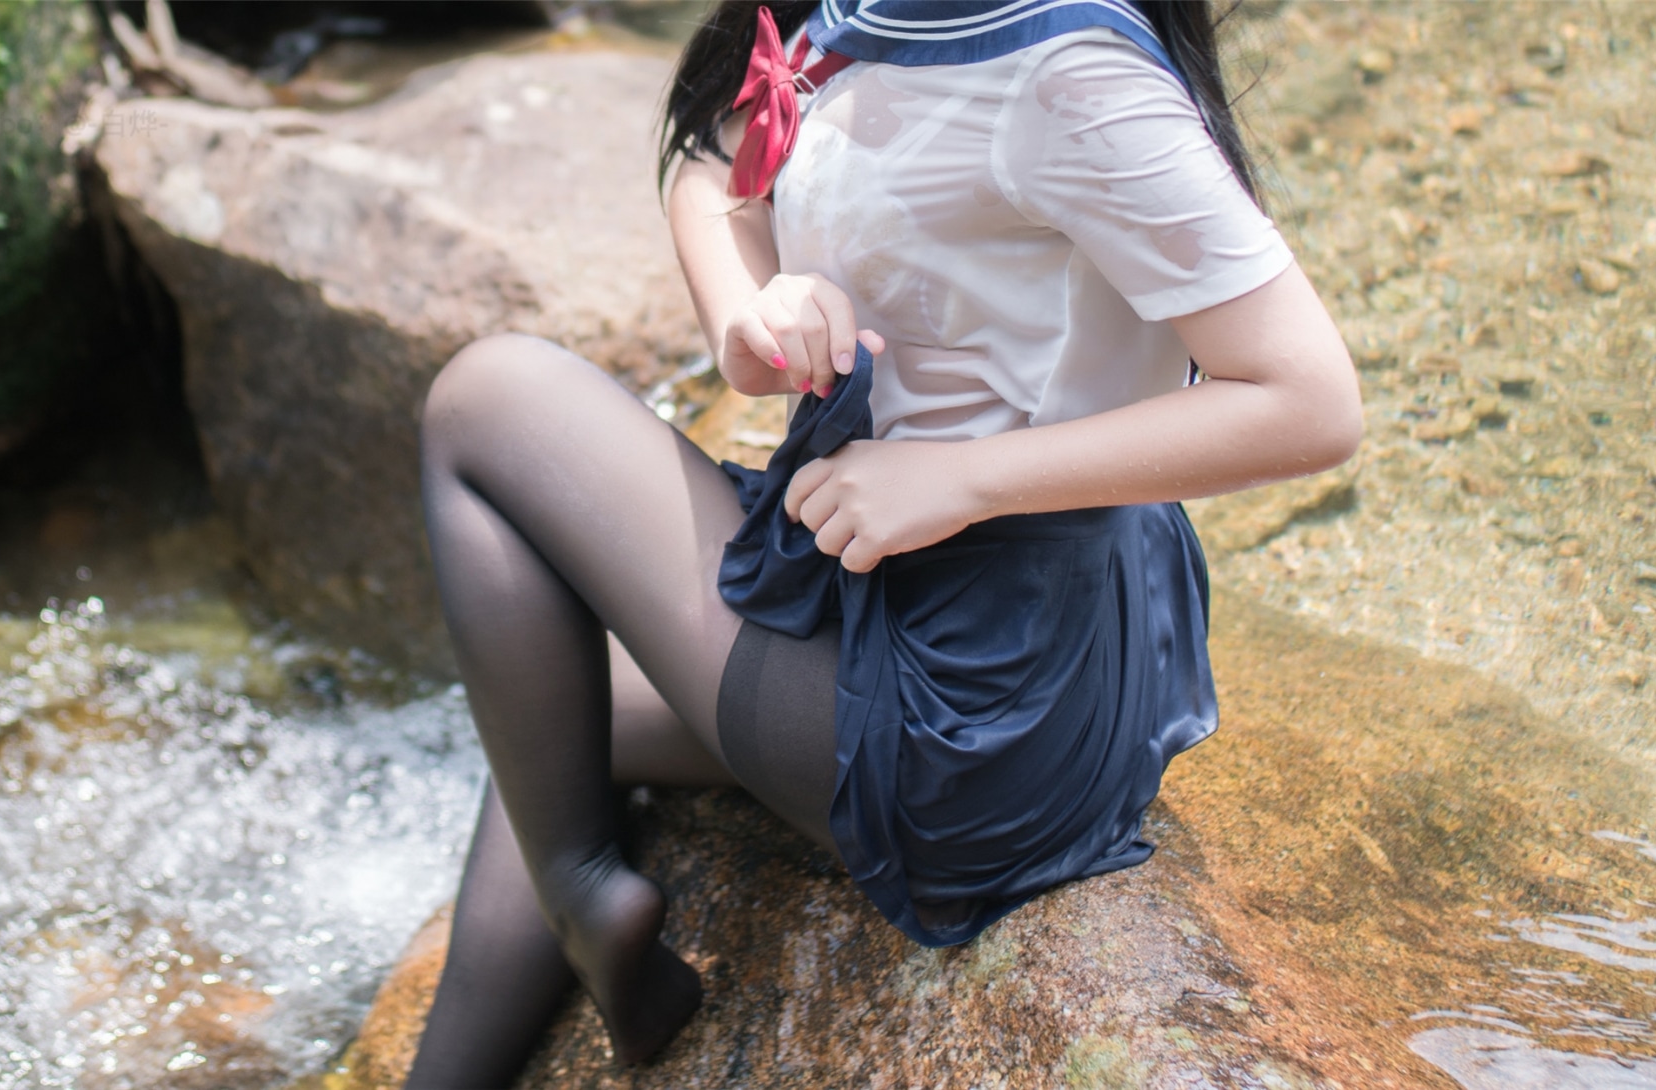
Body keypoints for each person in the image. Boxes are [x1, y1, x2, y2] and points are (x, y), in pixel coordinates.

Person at [403, 1, 1361, 1084]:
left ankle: (581, 885)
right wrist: (749, 315)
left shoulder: (1072, 80)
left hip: (978, 698)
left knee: (485, 398)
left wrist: (962, 477)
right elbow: (715, 152)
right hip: (902, 593)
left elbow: (1310, 400)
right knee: (545, 711)